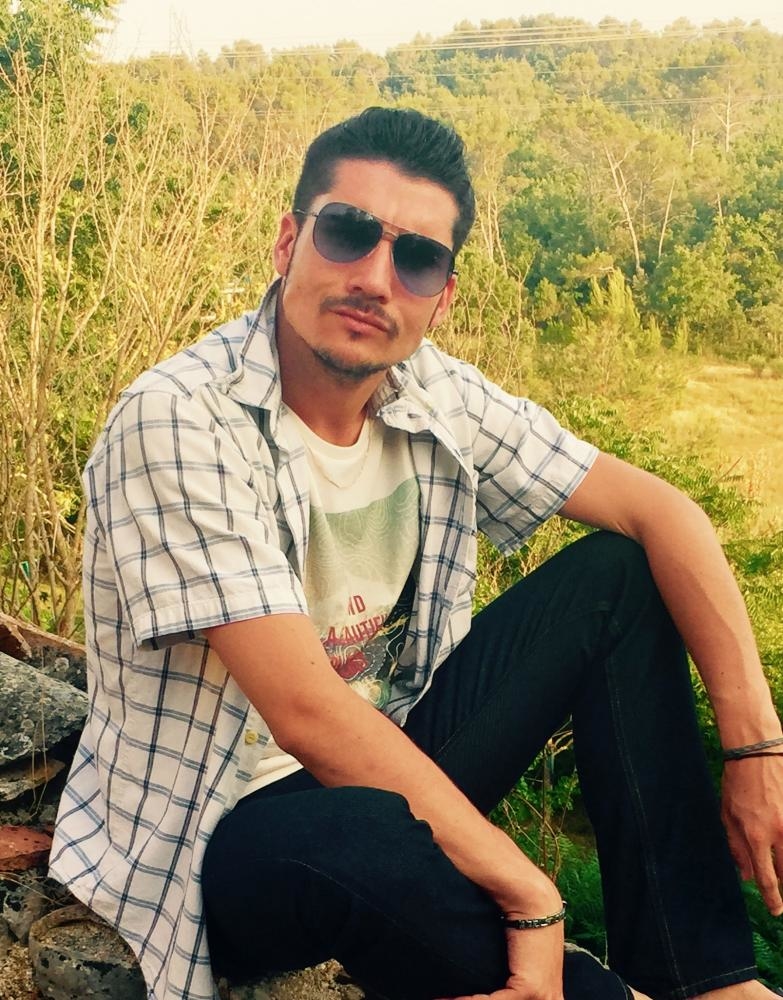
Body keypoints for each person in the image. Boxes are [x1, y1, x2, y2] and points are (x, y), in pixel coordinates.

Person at [50, 106, 783, 1000]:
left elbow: (660, 511)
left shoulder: (430, 391)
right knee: (360, 838)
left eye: (417, 258)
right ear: (286, 242)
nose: (374, 278)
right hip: (216, 839)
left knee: (614, 580)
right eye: (347, 233)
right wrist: (530, 891)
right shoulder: (178, 418)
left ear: (443, 295)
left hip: (382, 770)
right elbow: (307, 716)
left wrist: (755, 749)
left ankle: (702, 976)